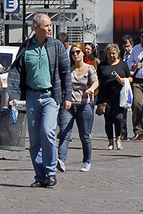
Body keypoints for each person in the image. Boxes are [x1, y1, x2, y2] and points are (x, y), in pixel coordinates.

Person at [7, 12, 71, 188]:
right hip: (32, 96)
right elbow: (15, 71)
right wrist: (13, 96)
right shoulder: (26, 47)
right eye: (47, 25)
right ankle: (40, 175)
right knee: (35, 139)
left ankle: (51, 171)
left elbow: (66, 73)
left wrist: (67, 97)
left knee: (48, 132)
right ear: (36, 27)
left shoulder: (56, 46)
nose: (50, 28)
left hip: (51, 96)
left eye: (50, 25)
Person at [58, 43, 98, 172]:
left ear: (83, 53)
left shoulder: (89, 68)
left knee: (84, 136)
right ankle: (61, 160)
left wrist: (91, 89)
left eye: (78, 52)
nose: (75, 55)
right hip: (69, 106)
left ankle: (87, 161)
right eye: (73, 53)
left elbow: (95, 82)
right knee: (65, 133)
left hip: (84, 106)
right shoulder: (68, 69)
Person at [96, 43, 131, 150]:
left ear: (118, 53)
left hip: (120, 96)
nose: (111, 56)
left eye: (113, 53)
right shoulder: (102, 65)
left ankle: (119, 138)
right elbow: (98, 80)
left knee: (119, 118)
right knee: (108, 119)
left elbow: (130, 78)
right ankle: (110, 141)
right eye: (109, 53)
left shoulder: (123, 65)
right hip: (105, 96)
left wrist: (123, 80)